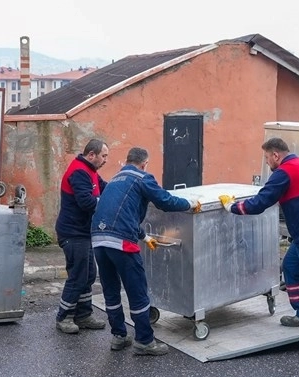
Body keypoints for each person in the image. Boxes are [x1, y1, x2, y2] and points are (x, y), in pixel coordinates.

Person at [218, 137, 299, 359]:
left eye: (267, 157)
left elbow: (259, 203)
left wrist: (232, 206)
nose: (267, 162)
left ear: (275, 155)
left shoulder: (283, 173)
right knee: (291, 267)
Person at [91, 147, 201, 356]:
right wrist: (190, 203)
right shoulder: (142, 178)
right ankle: (144, 340)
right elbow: (165, 201)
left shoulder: (115, 180)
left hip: (98, 239)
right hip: (122, 241)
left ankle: (119, 336)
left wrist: (144, 236)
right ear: (144, 164)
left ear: (128, 161)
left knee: (111, 290)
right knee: (137, 291)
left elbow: (122, 213)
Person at [54, 138, 109, 334]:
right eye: (104, 156)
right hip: (73, 232)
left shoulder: (90, 171)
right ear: (91, 155)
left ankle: (83, 315)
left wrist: (119, 192)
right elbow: (86, 202)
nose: (106, 160)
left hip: (83, 232)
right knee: (78, 275)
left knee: (89, 274)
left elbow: (105, 188)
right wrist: (107, 203)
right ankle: (64, 317)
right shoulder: (79, 172)